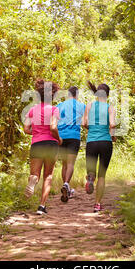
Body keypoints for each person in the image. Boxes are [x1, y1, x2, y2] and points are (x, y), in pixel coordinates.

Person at [23, 79, 62, 215]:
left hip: (37, 144)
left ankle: (33, 180)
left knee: (35, 174)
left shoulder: (32, 110)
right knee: (48, 176)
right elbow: (53, 127)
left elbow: (26, 129)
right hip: (51, 144)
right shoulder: (54, 110)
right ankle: (41, 206)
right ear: (52, 96)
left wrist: (37, 132)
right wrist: (58, 138)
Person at [82, 81, 116, 213]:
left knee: (92, 172)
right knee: (102, 176)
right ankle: (97, 204)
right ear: (107, 95)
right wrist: (113, 136)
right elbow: (112, 125)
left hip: (92, 142)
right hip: (105, 142)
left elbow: (84, 123)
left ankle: (90, 179)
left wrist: (90, 128)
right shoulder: (109, 108)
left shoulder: (89, 105)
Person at [56, 86, 86, 202]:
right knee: (70, 164)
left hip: (61, 136)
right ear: (77, 95)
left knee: (64, 164)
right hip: (74, 136)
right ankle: (66, 184)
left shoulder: (59, 106)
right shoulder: (81, 106)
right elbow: (85, 121)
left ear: (67, 94)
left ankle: (67, 189)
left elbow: (55, 120)